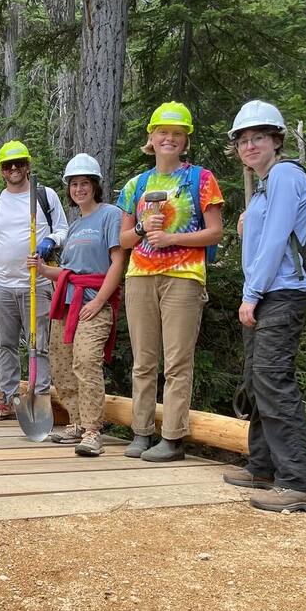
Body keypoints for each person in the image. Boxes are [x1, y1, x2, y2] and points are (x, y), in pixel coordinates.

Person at [224, 100, 306, 512]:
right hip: (269, 293)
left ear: (276, 140)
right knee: (258, 379)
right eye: (243, 140)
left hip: (280, 293)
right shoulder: (265, 185)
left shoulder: (283, 175)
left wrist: (251, 295)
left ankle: (300, 481)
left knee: (272, 380)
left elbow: (277, 242)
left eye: (257, 138)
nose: (249, 146)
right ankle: (263, 466)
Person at [118, 102, 224, 461]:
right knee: (143, 361)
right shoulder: (137, 184)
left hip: (184, 277)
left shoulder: (201, 179)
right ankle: (141, 431)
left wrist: (173, 239)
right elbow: (123, 241)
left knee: (177, 361)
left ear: (185, 141)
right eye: (163, 132)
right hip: (140, 277)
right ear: (151, 137)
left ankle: (173, 437)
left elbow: (215, 232)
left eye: (177, 133)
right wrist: (142, 229)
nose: (169, 138)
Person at [0, 140, 69, 420]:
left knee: (38, 344)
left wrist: (50, 241)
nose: (14, 168)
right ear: (2, 171)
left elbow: (65, 229)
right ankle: (8, 399)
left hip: (37, 283)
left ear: (28, 166)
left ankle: (39, 400)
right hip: (2, 285)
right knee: (5, 344)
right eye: (8, 165)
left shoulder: (44, 196)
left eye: (19, 163)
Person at [33, 154, 126, 456]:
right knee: (61, 362)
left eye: (84, 183)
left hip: (94, 302)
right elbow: (70, 270)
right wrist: (45, 270)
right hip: (68, 301)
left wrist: (100, 301)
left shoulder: (110, 215)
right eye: (74, 184)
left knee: (86, 362)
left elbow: (117, 262)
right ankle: (74, 421)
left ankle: (93, 429)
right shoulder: (74, 226)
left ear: (95, 186)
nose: (79, 189)